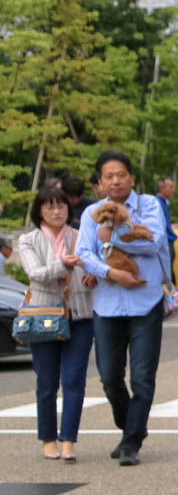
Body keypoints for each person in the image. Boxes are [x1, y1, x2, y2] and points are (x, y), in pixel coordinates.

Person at [76, 152, 168, 466]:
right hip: (107, 303)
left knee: (142, 377)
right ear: (100, 182)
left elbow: (153, 243)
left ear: (131, 178)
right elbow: (83, 254)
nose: (116, 181)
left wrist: (115, 234)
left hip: (147, 302)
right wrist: (112, 273)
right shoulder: (91, 212)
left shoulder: (149, 206)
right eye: (109, 176)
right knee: (109, 376)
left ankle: (130, 443)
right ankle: (132, 426)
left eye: (121, 175)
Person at [18, 182, 96, 462]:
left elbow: (94, 265)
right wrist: (64, 264)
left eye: (61, 205)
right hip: (43, 316)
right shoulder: (29, 240)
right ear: (39, 211)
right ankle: (48, 438)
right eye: (49, 206)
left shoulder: (81, 235)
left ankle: (69, 439)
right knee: (47, 381)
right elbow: (35, 273)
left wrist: (93, 276)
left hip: (81, 315)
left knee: (74, 379)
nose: (56, 211)